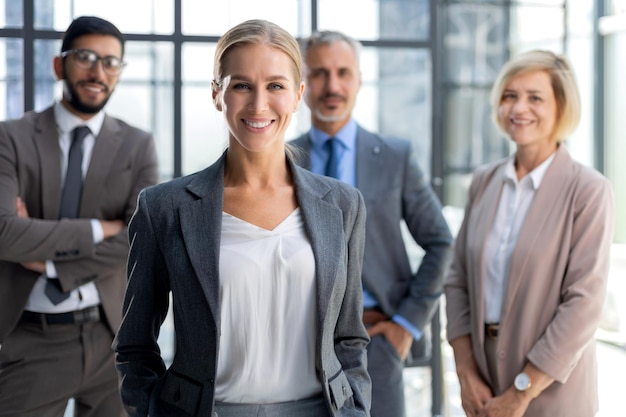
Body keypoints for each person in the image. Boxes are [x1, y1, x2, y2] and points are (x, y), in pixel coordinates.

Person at [113, 19, 371, 417]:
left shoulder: (342, 205)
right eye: (241, 85)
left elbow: (349, 336)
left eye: (276, 86)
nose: (258, 105)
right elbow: (135, 346)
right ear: (217, 94)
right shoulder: (164, 208)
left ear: (298, 94)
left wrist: (357, 407)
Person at [0, 15, 159, 417]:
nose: (98, 71)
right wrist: (98, 228)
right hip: (33, 338)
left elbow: (139, 241)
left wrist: (44, 260)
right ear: (59, 65)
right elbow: (4, 232)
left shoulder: (138, 146)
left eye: (110, 62)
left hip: (115, 342)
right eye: (85, 57)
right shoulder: (11, 138)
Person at [292, 30, 454, 417]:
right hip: (298, 343)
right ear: (302, 81)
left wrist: (406, 326)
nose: (332, 85)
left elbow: (440, 242)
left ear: (360, 79)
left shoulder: (395, 157)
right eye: (319, 73)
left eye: (344, 72)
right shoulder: (284, 160)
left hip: (377, 341)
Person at [444, 50, 614, 417]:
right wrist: (465, 370)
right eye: (510, 95)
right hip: (484, 381)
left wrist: (523, 389)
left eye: (535, 97)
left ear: (562, 106)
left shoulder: (588, 189)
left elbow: (584, 303)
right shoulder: (484, 181)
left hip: (553, 389)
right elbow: (457, 280)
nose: (519, 108)